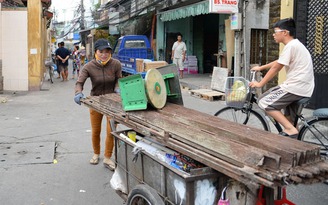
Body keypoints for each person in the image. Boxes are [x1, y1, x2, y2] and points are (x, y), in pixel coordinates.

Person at [249, 18, 314, 138]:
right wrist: (261, 67)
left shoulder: (291, 46)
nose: (273, 34)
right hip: (302, 87)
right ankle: (295, 139)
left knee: (264, 101)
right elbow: (279, 61)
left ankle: (290, 129)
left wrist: (260, 84)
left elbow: (276, 68)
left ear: (285, 32)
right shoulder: (295, 45)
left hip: (296, 87)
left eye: (276, 31)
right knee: (290, 119)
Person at [74, 38, 122, 170]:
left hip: (113, 102)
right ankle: (96, 153)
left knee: (111, 130)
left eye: (107, 51)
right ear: (96, 52)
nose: (104, 54)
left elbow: (119, 78)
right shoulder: (89, 66)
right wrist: (78, 92)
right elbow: (80, 82)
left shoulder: (116, 64)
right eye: (101, 51)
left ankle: (107, 157)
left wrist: (118, 88)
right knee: (96, 131)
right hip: (95, 102)